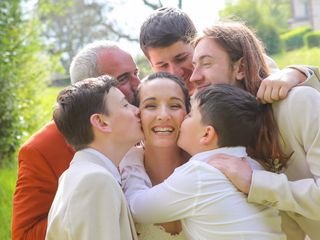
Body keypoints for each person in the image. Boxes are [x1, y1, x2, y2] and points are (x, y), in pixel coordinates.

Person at [189, 22, 320, 240]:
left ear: (240, 68)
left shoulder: (301, 103)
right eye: (194, 65)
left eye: (206, 63)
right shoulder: (225, 137)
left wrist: (254, 183)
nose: (194, 77)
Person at [121, 82, 286, 239]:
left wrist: (132, 159)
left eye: (190, 114)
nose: (183, 118)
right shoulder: (253, 167)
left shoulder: (200, 174)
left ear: (207, 134)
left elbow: (137, 208)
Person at [12, 40, 140, 240]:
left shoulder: (135, 126)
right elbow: (24, 234)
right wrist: (91, 207)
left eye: (137, 73)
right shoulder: (43, 151)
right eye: (123, 78)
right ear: (89, 88)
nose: (138, 84)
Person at [139, 6, 319, 99]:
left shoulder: (237, 66)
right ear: (151, 66)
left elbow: (273, 79)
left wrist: (296, 73)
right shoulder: (154, 102)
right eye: (162, 65)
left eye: (181, 58)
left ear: (196, 46)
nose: (175, 72)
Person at [46, 75, 143, 239]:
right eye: (125, 105)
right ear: (101, 122)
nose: (137, 110)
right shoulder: (95, 180)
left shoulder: (78, 175)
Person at [123, 72, 190, 239]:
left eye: (174, 106)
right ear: (137, 114)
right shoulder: (119, 173)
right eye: (151, 106)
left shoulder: (207, 166)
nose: (163, 115)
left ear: (188, 113)